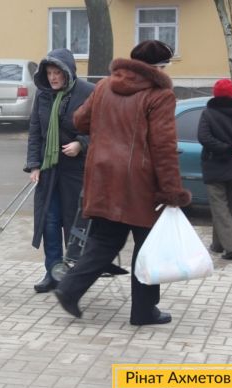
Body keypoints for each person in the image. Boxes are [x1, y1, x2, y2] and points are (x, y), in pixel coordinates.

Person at [53, 40, 192, 325]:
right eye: (164, 67)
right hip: (140, 185)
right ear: (157, 67)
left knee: (105, 241)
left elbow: (79, 121)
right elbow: (163, 147)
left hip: (102, 178)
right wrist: (171, 190)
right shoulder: (159, 95)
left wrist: (108, 127)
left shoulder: (105, 86)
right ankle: (143, 311)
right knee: (147, 246)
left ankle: (69, 288)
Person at [24, 48, 94, 293]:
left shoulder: (88, 92)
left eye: (57, 73)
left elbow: (101, 128)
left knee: (73, 224)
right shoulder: (43, 94)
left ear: (68, 72)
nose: (53, 78)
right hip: (49, 169)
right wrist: (34, 164)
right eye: (49, 73)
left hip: (76, 170)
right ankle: (52, 273)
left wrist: (81, 144)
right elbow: (35, 131)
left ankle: (73, 275)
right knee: (49, 222)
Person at [197, 78, 232, 260]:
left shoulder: (208, 114)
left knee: (220, 208)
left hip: (215, 167)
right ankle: (217, 244)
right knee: (225, 208)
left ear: (215, 94)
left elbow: (204, 138)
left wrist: (227, 149)